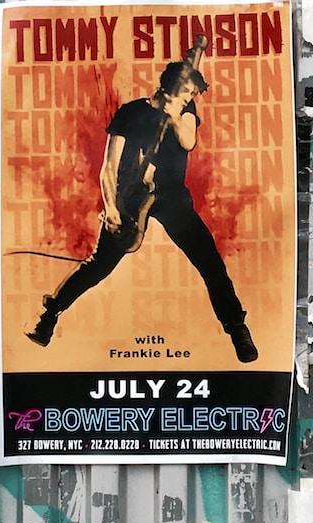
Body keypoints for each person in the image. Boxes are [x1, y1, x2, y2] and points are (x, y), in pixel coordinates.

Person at [27, 59, 256, 362]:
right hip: (132, 196)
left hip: (172, 197)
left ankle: (236, 328)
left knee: (210, 262)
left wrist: (174, 116)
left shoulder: (185, 113)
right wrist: (111, 208)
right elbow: (109, 167)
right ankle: (49, 316)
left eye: (192, 96)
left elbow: (188, 142)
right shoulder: (131, 112)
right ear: (169, 86)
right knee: (99, 265)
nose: (190, 99)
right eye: (187, 92)